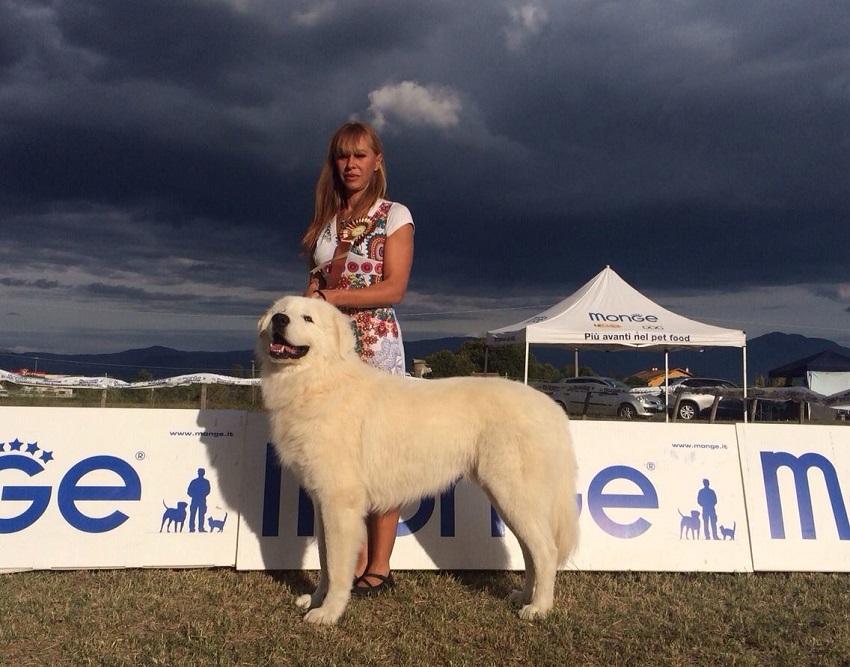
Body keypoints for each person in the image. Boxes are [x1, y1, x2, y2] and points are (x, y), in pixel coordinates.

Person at [301, 120, 415, 596]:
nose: (351, 165)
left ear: (377, 161)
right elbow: (313, 291)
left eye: (360, 155)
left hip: (375, 344)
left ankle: (380, 567)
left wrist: (333, 298)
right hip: (330, 351)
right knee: (338, 458)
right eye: (343, 156)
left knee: (380, 454)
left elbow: (394, 288)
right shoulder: (325, 224)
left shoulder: (395, 215)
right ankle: (353, 562)